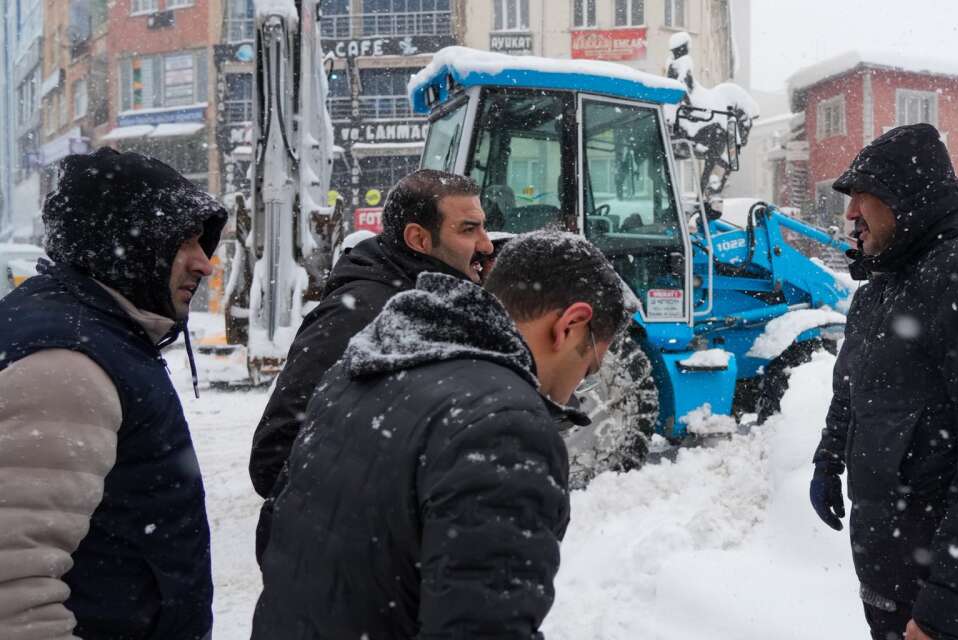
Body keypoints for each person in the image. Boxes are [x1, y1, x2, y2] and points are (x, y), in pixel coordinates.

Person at [251, 230, 634, 638]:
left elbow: (277, 533)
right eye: (588, 367)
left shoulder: (361, 369)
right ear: (570, 325)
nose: (576, 390)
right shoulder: (505, 428)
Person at [809, 123, 958, 640]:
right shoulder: (878, 290)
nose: (850, 214)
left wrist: (942, 615)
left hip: (941, 596)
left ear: (904, 200)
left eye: (863, 197)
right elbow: (850, 388)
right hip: (886, 571)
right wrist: (828, 459)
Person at [0, 148, 227, 639]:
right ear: (130, 241)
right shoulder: (65, 364)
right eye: (185, 241)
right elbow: (14, 593)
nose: (204, 264)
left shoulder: (98, 334)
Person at [248, 169, 494, 556]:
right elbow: (274, 453)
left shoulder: (426, 303)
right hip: (340, 566)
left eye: (483, 228)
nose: (486, 245)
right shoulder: (358, 314)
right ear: (418, 238)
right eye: (469, 230)